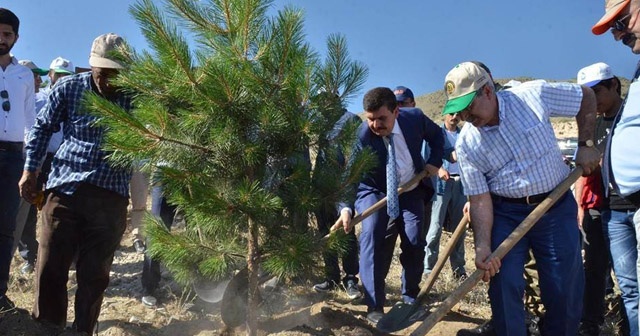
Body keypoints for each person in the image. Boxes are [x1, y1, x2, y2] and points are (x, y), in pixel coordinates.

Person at [443, 61, 599, 336]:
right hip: (505, 213)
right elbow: (479, 199)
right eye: (459, 111)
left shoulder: (532, 96)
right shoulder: (467, 142)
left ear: (488, 91)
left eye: (469, 107)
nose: (465, 116)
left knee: (563, 287)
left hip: (555, 206)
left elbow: (586, 97)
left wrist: (586, 144)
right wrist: (481, 247)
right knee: (503, 283)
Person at [19, 33, 133, 334]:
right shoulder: (69, 89)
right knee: (50, 269)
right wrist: (30, 171)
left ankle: (83, 330)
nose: (109, 81)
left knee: (94, 277)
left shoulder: (137, 99)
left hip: (110, 196)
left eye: (117, 75)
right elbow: (42, 128)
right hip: (64, 191)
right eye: (102, 73)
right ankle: (48, 329)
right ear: (91, 66)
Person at [333, 87, 443, 324]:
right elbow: (350, 177)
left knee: (414, 241)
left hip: (411, 189)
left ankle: (409, 298)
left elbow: (438, 138)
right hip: (374, 191)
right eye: (370, 119)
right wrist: (345, 208)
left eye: (381, 118)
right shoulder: (363, 137)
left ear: (396, 111)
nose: (375, 125)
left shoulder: (414, 119)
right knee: (371, 235)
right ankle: (374, 306)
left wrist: (434, 162)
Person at [574, 62, 635, 336]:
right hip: (604, 209)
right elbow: (584, 170)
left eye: (597, 92)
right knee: (599, 269)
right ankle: (592, 324)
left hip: (632, 204)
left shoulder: (630, 116)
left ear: (614, 85)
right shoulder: (592, 124)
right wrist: (579, 205)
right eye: (587, 95)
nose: (593, 100)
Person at [592, 2, 640, 333]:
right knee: (632, 291)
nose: (618, 34)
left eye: (622, 21)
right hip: (618, 207)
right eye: (613, 29)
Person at [15, 57, 74, 275]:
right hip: (36, 159)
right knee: (28, 208)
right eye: (58, 75)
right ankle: (31, 255)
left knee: (60, 209)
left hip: (62, 161)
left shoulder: (74, 102)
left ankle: (66, 256)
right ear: (51, 75)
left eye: (66, 76)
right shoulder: (38, 99)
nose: (61, 80)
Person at [0, 8, 36, 312]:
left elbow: (30, 124)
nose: (1, 39)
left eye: (7, 34)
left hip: (13, 157)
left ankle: (0, 292)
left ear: (16, 38)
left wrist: (29, 164)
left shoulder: (24, 74)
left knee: (7, 227)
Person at [312, 109, 362, 300]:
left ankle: (350, 280)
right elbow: (320, 159)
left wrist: (346, 190)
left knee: (346, 233)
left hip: (342, 188)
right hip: (322, 190)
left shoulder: (351, 120)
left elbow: (355, 159)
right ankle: (331, 277)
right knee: (325, 232)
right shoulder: (323, 121)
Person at [424, 112, 467, 279]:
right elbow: (427, 156)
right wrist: (439, 168)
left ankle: (459, 270)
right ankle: (429, 270)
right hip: (441, 184)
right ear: (444, 115)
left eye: (457, 114)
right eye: (451, 114)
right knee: (435, 228)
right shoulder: (437, 134)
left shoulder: (465, 134)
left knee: (459, 229)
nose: (454, 117)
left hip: (461, 184)